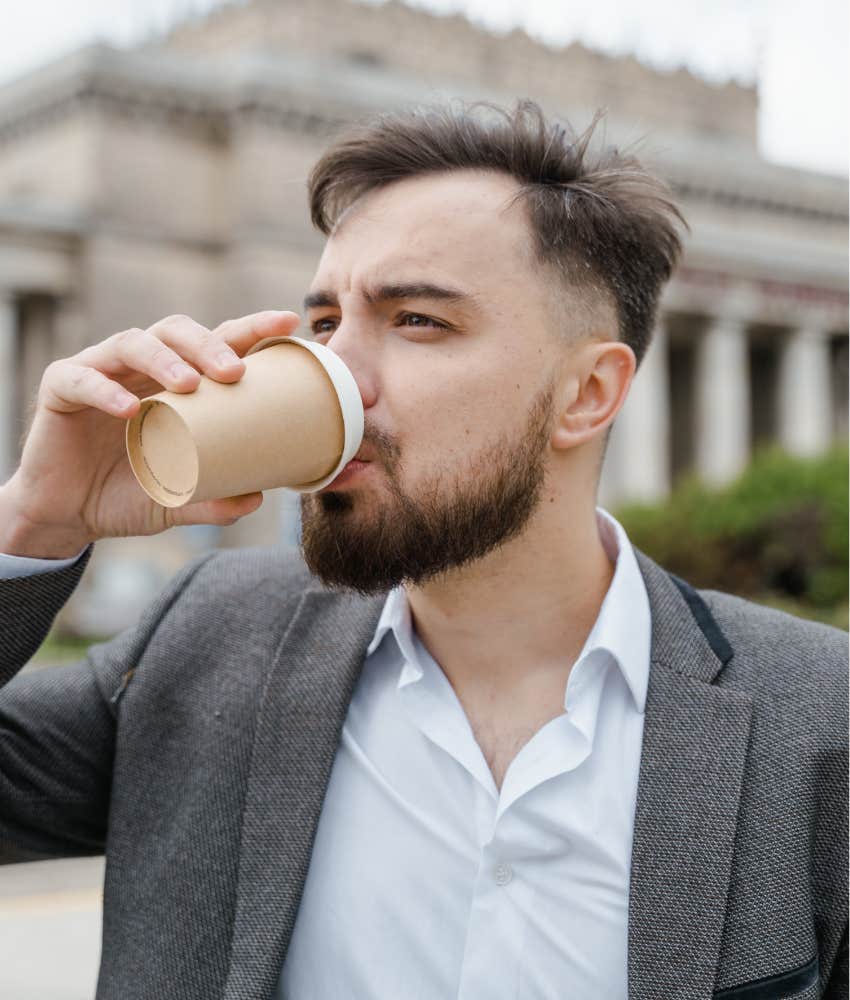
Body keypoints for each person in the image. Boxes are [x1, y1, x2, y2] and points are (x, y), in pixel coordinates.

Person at [0, 100, 846, 1000]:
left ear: (587, 394)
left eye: (417, 321)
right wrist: (33, 526)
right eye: (325, 324)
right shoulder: (210, 640)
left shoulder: (820, 722)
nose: (342, 381)